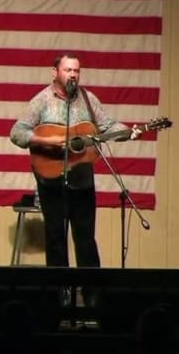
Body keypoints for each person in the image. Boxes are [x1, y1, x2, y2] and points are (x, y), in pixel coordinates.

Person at [10, 54, 138, 275]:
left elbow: (107, 126)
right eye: (68, 70)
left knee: (86, 240)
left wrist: (129, 132)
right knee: (56, 239)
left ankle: (92, 296)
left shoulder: (88, 99)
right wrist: (47, 140)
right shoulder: (42, 100)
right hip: (51, 182)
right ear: (55, 72)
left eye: (76, 71)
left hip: (82, 181)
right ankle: (57, 298)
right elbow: (17, 133)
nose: (73, 75)